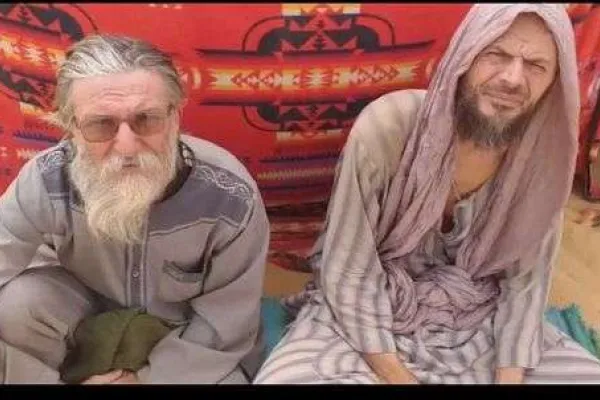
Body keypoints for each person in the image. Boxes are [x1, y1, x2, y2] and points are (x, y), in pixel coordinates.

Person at [254, 4, 600, 384]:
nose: (513, 78)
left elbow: (524, 288)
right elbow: (349, 269)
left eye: (535, 65)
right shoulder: (389, 127)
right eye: (496, 54)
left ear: (554, 82)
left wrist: (509, 379)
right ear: (464, 56)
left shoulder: (543, 162)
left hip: (480, 319)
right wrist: (398, 376)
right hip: (369, 315)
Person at [0, 34, 270, 384]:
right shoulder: (46, 179)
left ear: (175, 117)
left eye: (146, 119)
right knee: (18, 304)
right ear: (71, 129)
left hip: (183, 340)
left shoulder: (231, 196)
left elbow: (227, 323)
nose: (126, 146)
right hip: (82, 323)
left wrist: (145, 380)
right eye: (101, 124)